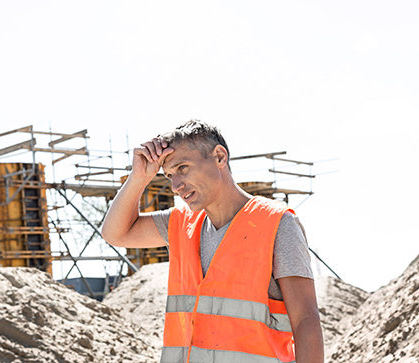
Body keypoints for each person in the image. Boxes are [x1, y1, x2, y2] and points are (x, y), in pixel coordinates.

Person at [101, 120, 323, 363]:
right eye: (169, 176)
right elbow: (116, 234)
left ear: (219, 157)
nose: (175, 186)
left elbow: (305, 320)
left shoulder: (276, 223)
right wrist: (139, 178)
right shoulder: (180, 224)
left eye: (183, 168)